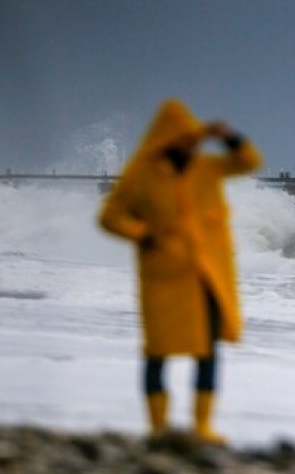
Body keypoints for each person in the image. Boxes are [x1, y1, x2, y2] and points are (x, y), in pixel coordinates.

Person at [98, 99, 262, 445]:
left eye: (193, 138)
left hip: (206, 274)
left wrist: (229, 136)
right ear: (165, 139)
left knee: (208, 350)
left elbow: (249, 161)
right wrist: (142, 234)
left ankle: (202, 425)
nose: (191, 144)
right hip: (164, 276)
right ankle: (158, 427)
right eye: (184, 138)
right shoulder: (141, 175)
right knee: (157, 351)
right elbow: (110, 217)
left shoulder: (205, 168)